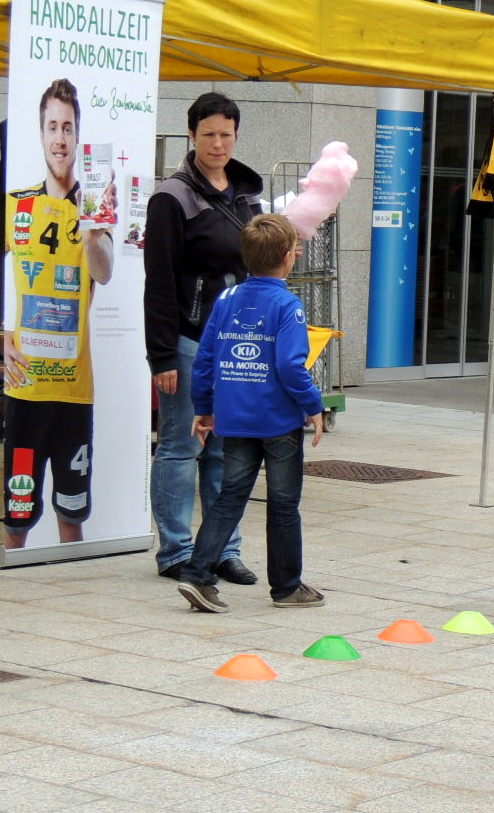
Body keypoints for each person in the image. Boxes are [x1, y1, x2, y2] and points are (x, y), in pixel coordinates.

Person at [175, 214, 326, 613]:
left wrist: (203, 407)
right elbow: (290, 366)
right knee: (283, 504)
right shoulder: (288, 305)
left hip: (235, 420)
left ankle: (197, 574)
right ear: (288, 257)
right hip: (278, 422)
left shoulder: (226, 299)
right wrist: (313, 405)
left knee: (229, 497)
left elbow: (205, 358)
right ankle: (287, 588)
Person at [145, 92, 263, 584]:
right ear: (191, 135)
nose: (218, 144)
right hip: (190, 339)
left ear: (236, 136)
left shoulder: (247, 195)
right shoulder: (171, 197)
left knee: (225, 449)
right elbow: (159, 281)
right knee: (182, 446)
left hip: (238, 344)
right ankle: (175, 551)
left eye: (226, 135)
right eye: (209, 134)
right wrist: (162, 356)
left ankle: (221, 550)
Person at [4, 79, 115, 549]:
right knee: (16, 520)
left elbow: (104, 273)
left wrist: (93, 233)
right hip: (25, 392)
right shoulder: (17, 204)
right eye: (52, 127)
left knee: (72, 515)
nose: (60, 138)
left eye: (68, 128)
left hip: (73, 393)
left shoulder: (93, 205)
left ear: (77, 135)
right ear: (41, 133)